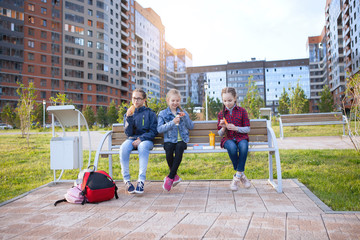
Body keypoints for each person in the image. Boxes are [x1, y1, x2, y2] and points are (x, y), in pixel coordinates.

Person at [119, 89, 158, 194]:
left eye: (138, 98)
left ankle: (141, 181)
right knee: (123, 148)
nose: (135, 101)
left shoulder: (150, 113)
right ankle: (127, 180)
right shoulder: (129, 113)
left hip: (146, 140)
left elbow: (154, 131)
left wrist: (141, 139)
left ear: (144, 100)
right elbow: (128, 133)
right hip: (132, 139)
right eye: (133, 98)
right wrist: (129, 118)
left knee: (142, 147)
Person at [157, 89, 194, 191]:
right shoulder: (163, 113)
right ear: (168, 100)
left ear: (180, 101)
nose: (175, 103)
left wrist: (185, 117)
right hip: (169, 139)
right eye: (173, 100)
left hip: (182, 139)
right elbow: (159, 129)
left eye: (177, 100)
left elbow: (191, 126)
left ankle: (170, 177)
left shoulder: (183, 112)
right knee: (168, 149)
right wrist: (172, 122)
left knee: (179, 148)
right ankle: (175, 176)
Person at [217, 87, 251, 191]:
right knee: (231, 147)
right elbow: (219, 133)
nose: (227, 103)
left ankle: (237, 177)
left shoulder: (242, 111)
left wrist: (236, 128)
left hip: (241, 137)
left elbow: (247, 129)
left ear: (235, 98)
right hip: (228, 138)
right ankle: (241, 174)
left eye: (230, 100)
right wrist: (223, 127)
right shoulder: (221, 114)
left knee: (244, 147)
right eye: (225, 101)